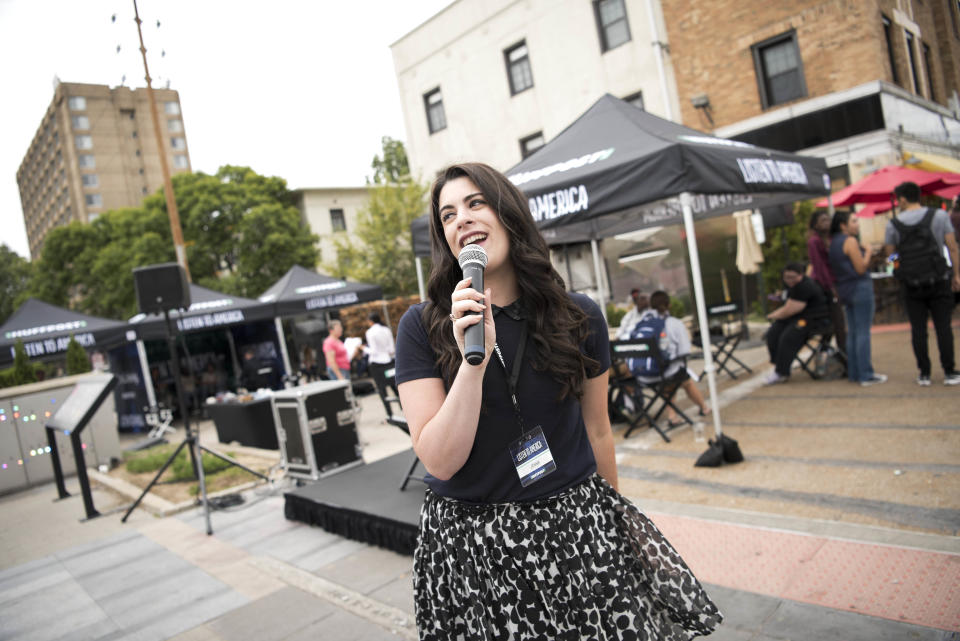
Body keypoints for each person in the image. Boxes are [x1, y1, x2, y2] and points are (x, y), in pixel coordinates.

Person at [395, 162, 721, 640]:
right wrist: (473, 363)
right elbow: (440, 461)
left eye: (475, 203)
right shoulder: (422, 327)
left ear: (509, 214)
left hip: (573, 530)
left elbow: (598, 430)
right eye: (447, 215)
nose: (460, 219)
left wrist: (617, 523)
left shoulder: (579, 316)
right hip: (471, 546)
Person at [884, 182, 960, 386]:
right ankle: (950, 371)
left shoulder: (893, 224)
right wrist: (956, 274)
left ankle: (924, 373)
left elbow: (890, 256)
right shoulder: (940, 216)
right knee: (943, 326)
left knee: (918, 329)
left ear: (902, 199)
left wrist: (897, 272)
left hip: (911, 284)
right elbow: (952, 248)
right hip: (938, 278)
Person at [633, 290, 710, 424]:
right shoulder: (674, 323)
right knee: (683, 379)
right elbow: (685, 351)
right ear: (669, 305)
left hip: (642, 376)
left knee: (669, 375)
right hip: (664, 374)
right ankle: (703, 408)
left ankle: (673, 415)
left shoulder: (642, 323)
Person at [828, 212, 886, 386]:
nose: (857, 224)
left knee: (853, 332)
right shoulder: (850, 241)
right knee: (862, 332)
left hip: (845, 289)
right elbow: (860, 268)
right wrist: (867, 252)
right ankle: (865, 374)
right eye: (853, 221)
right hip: (859, 287)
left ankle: (855, 372)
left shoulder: (834, 243)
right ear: (843, 225)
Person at [763, 262, 832, 384]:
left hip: (814, 320)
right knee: (773, 332)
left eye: (792, 277)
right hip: (797, 318)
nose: (789, 280)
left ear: (801, 275)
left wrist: (772, 315)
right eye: (786, 277)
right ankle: (778, 363)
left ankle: (781, 372)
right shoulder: (791, 286)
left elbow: (791, 309)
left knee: (788, 337)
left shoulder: (805, 286)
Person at [807, 210, 847, 355]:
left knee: (836, 322)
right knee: (838, 322)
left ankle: (830, 350)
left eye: (828, 220)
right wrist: (831, 287)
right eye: (823, 220)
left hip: (836, 283)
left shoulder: (832, 239)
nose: (827, 223)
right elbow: (819, 266)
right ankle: (844, 354)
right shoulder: (814, 241)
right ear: (815, 224)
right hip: (824, 286)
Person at [365, 312, 395, 396]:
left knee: (381, 389)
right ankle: (402, 407)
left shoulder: (370, 332)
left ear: (371, 321)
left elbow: (374, 351)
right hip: (388, 362)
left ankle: (388, 409)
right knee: (394, 385)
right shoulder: (386, 330)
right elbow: (392, 350)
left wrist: (363, 348)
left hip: (376, 364)